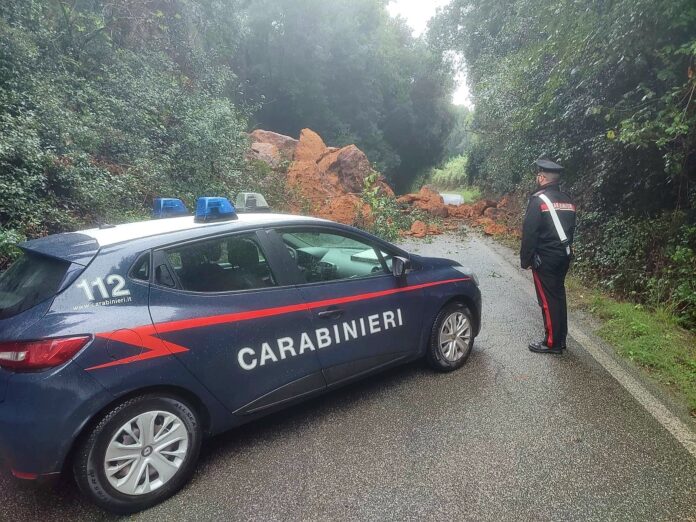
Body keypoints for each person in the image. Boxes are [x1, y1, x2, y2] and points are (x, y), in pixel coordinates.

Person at [520, 159, 576, 354]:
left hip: (545, 259)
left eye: (538, 175)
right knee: (558, 297)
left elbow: (530, 232)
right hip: (564, 255)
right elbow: (570, 230)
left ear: (542, 178)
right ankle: (561, 339)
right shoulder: (568, 200)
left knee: (547, 301)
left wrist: (525, 260)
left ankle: (551, 343)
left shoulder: (539, 200)